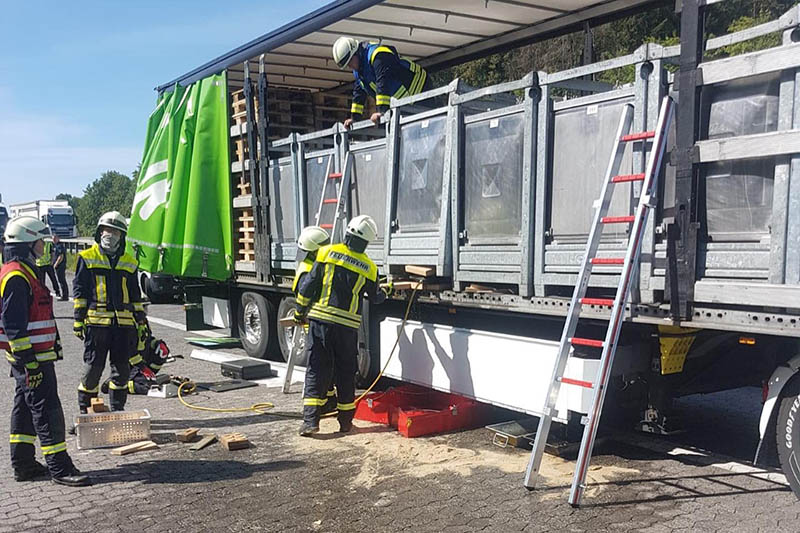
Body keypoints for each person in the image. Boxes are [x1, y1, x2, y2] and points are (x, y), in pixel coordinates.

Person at [1, 216, 90, 486]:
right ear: (28, 243)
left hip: (32, 359)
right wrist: (29, 363)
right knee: (47, 409)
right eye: (39, 241)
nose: (44, 246)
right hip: (32, 360)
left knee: (25, 409)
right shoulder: (17, 276)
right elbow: (13, 326)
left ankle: (24, 464)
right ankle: (60, 468)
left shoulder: (22, 270)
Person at [294, 215, 388, 436]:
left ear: (348, 233)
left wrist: (299, 312)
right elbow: (376, 298)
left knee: (317, 369)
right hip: (347, 329)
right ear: (366, 242)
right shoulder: (369, 268)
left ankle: (310, 422)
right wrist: (386, 292)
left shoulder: (326, 253)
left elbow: (308, 286)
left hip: (320, 322)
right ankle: (345, 423)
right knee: (346, 373)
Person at [73, 211, 146, 413]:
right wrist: (78, 320)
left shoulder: (130, 262)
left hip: (123, 327)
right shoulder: (87, 258)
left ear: (121, 235)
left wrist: (141, 322)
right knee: (92, 371)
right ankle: (85, 412)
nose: (110, 234)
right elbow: (80, 291)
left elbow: (135, 295)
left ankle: (117, 410)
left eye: (115, 231)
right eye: (106, 230)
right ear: (99, 232)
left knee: (122, 371)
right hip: (97, 326)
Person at [332, 37, 431, 128]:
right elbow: (359, 92)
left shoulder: (377, 55)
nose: (350, 66)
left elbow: (382, 82)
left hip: (419, 87)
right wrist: (354, 118)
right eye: (347, 65)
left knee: (430, 123)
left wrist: (382, 112)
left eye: (350, 62)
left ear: (356, 53)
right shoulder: (359, 71)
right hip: (406, 101)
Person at [294, 225, 337, 414]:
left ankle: (327, 401)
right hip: (314, 323)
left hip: (320, 322)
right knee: (318, 367)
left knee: (328, 366)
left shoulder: (316, 265)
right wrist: (299, 314)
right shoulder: (307, 271)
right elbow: (304, 297)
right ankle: (315, 408)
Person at [101, 326, 170, 395]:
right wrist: (143, 368)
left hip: (140, 358)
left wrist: (156, 343)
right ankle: (119, 384)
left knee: (161, 350)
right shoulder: (128, 325)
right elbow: (129, 350)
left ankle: (147, 377)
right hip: (130, 362)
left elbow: (146, 338)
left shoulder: (141, 320)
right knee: (146, 387)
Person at [51, 235, 69, 301]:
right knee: (60, 280)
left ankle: (65, 296)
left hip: (60, 266)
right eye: (53, 238)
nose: (53, 240)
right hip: (58, 266)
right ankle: (64, 295)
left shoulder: (59, 246)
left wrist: (56, 264)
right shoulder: (55, 245)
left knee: (62, 280)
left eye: (55, 238)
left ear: (58, 238)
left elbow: (61, 256)